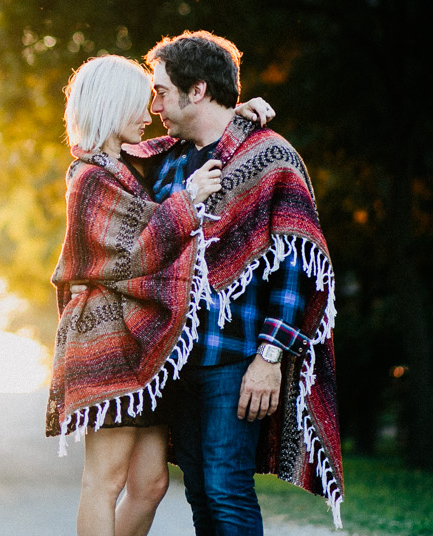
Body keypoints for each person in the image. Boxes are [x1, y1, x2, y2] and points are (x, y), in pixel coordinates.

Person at [46, 54, 273, 536]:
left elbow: (186, 134)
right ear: (111, 106)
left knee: (149, 485)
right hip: (104, 344)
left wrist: (233, 117)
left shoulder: (124, 165)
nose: (149, 112)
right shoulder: (88, 178)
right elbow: (132, 252)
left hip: (142, 350)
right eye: (138, 102)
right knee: (103, 483)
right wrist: (188, 201)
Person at [134, 31, 343, 534]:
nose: (154, 103)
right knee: (203, 494)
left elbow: (298, 270)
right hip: (178, 361)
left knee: (227, 490)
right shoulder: (169, 162)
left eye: (161, 90)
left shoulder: (271, 157)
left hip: (236, 360)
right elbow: (112, 159)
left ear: (198, 89)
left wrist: (269, 360)